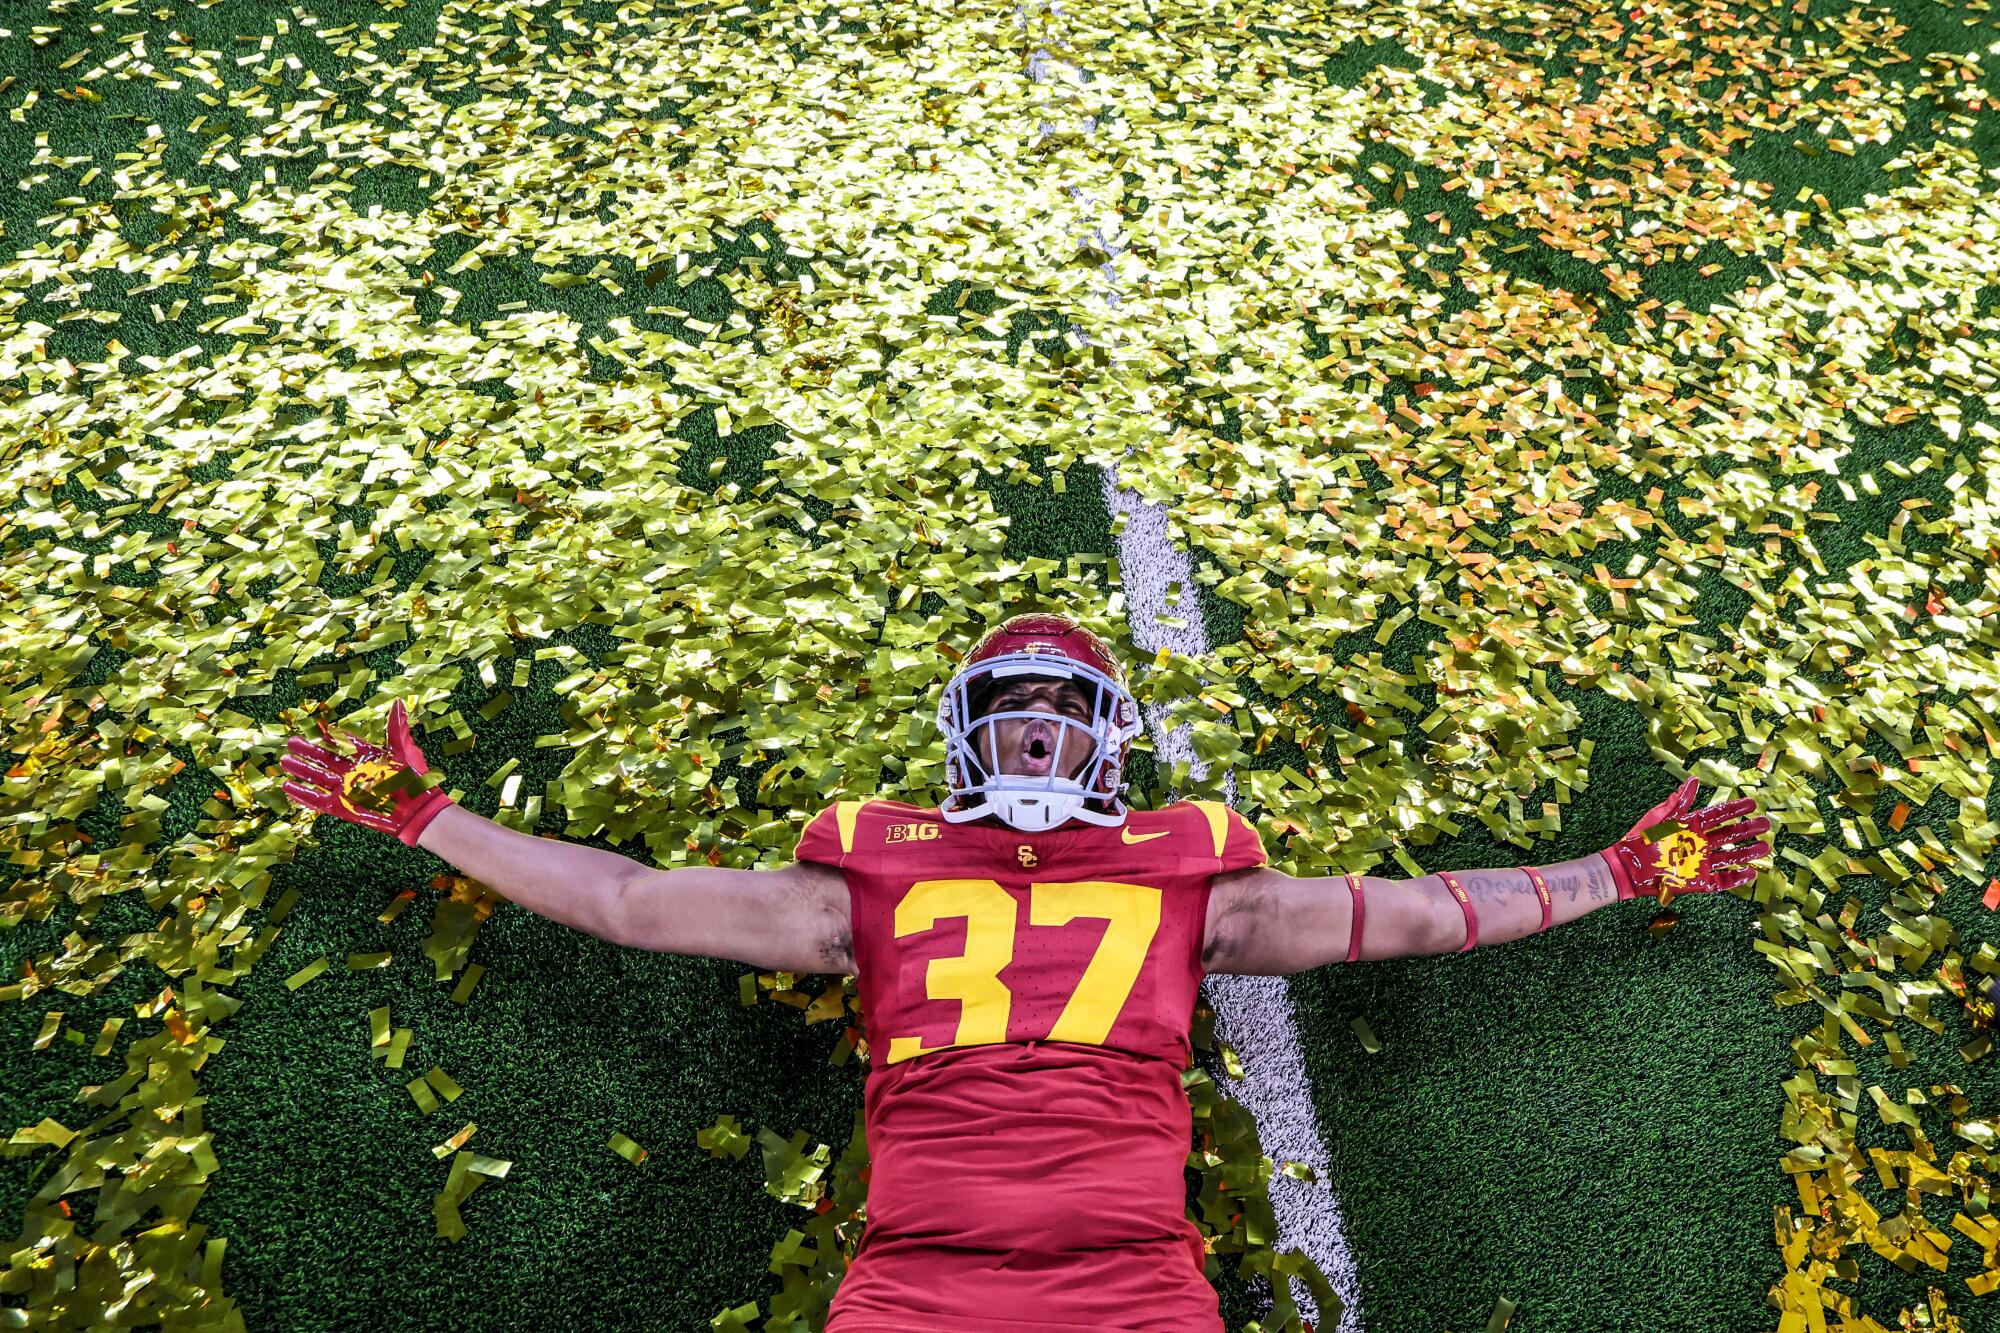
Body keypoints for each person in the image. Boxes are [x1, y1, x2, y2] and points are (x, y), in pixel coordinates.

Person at [278, 611, 1774, 1332]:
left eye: (1068, 709)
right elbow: (631, 899)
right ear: (971, 734)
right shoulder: (863, 876)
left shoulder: (1193, 876)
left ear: (1108, 737)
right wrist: (429, 816)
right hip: (918, 1290)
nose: (1042, 732)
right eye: (1017, 710)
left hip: (1132, 1289)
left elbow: (1418, 914)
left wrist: (1619, 874)